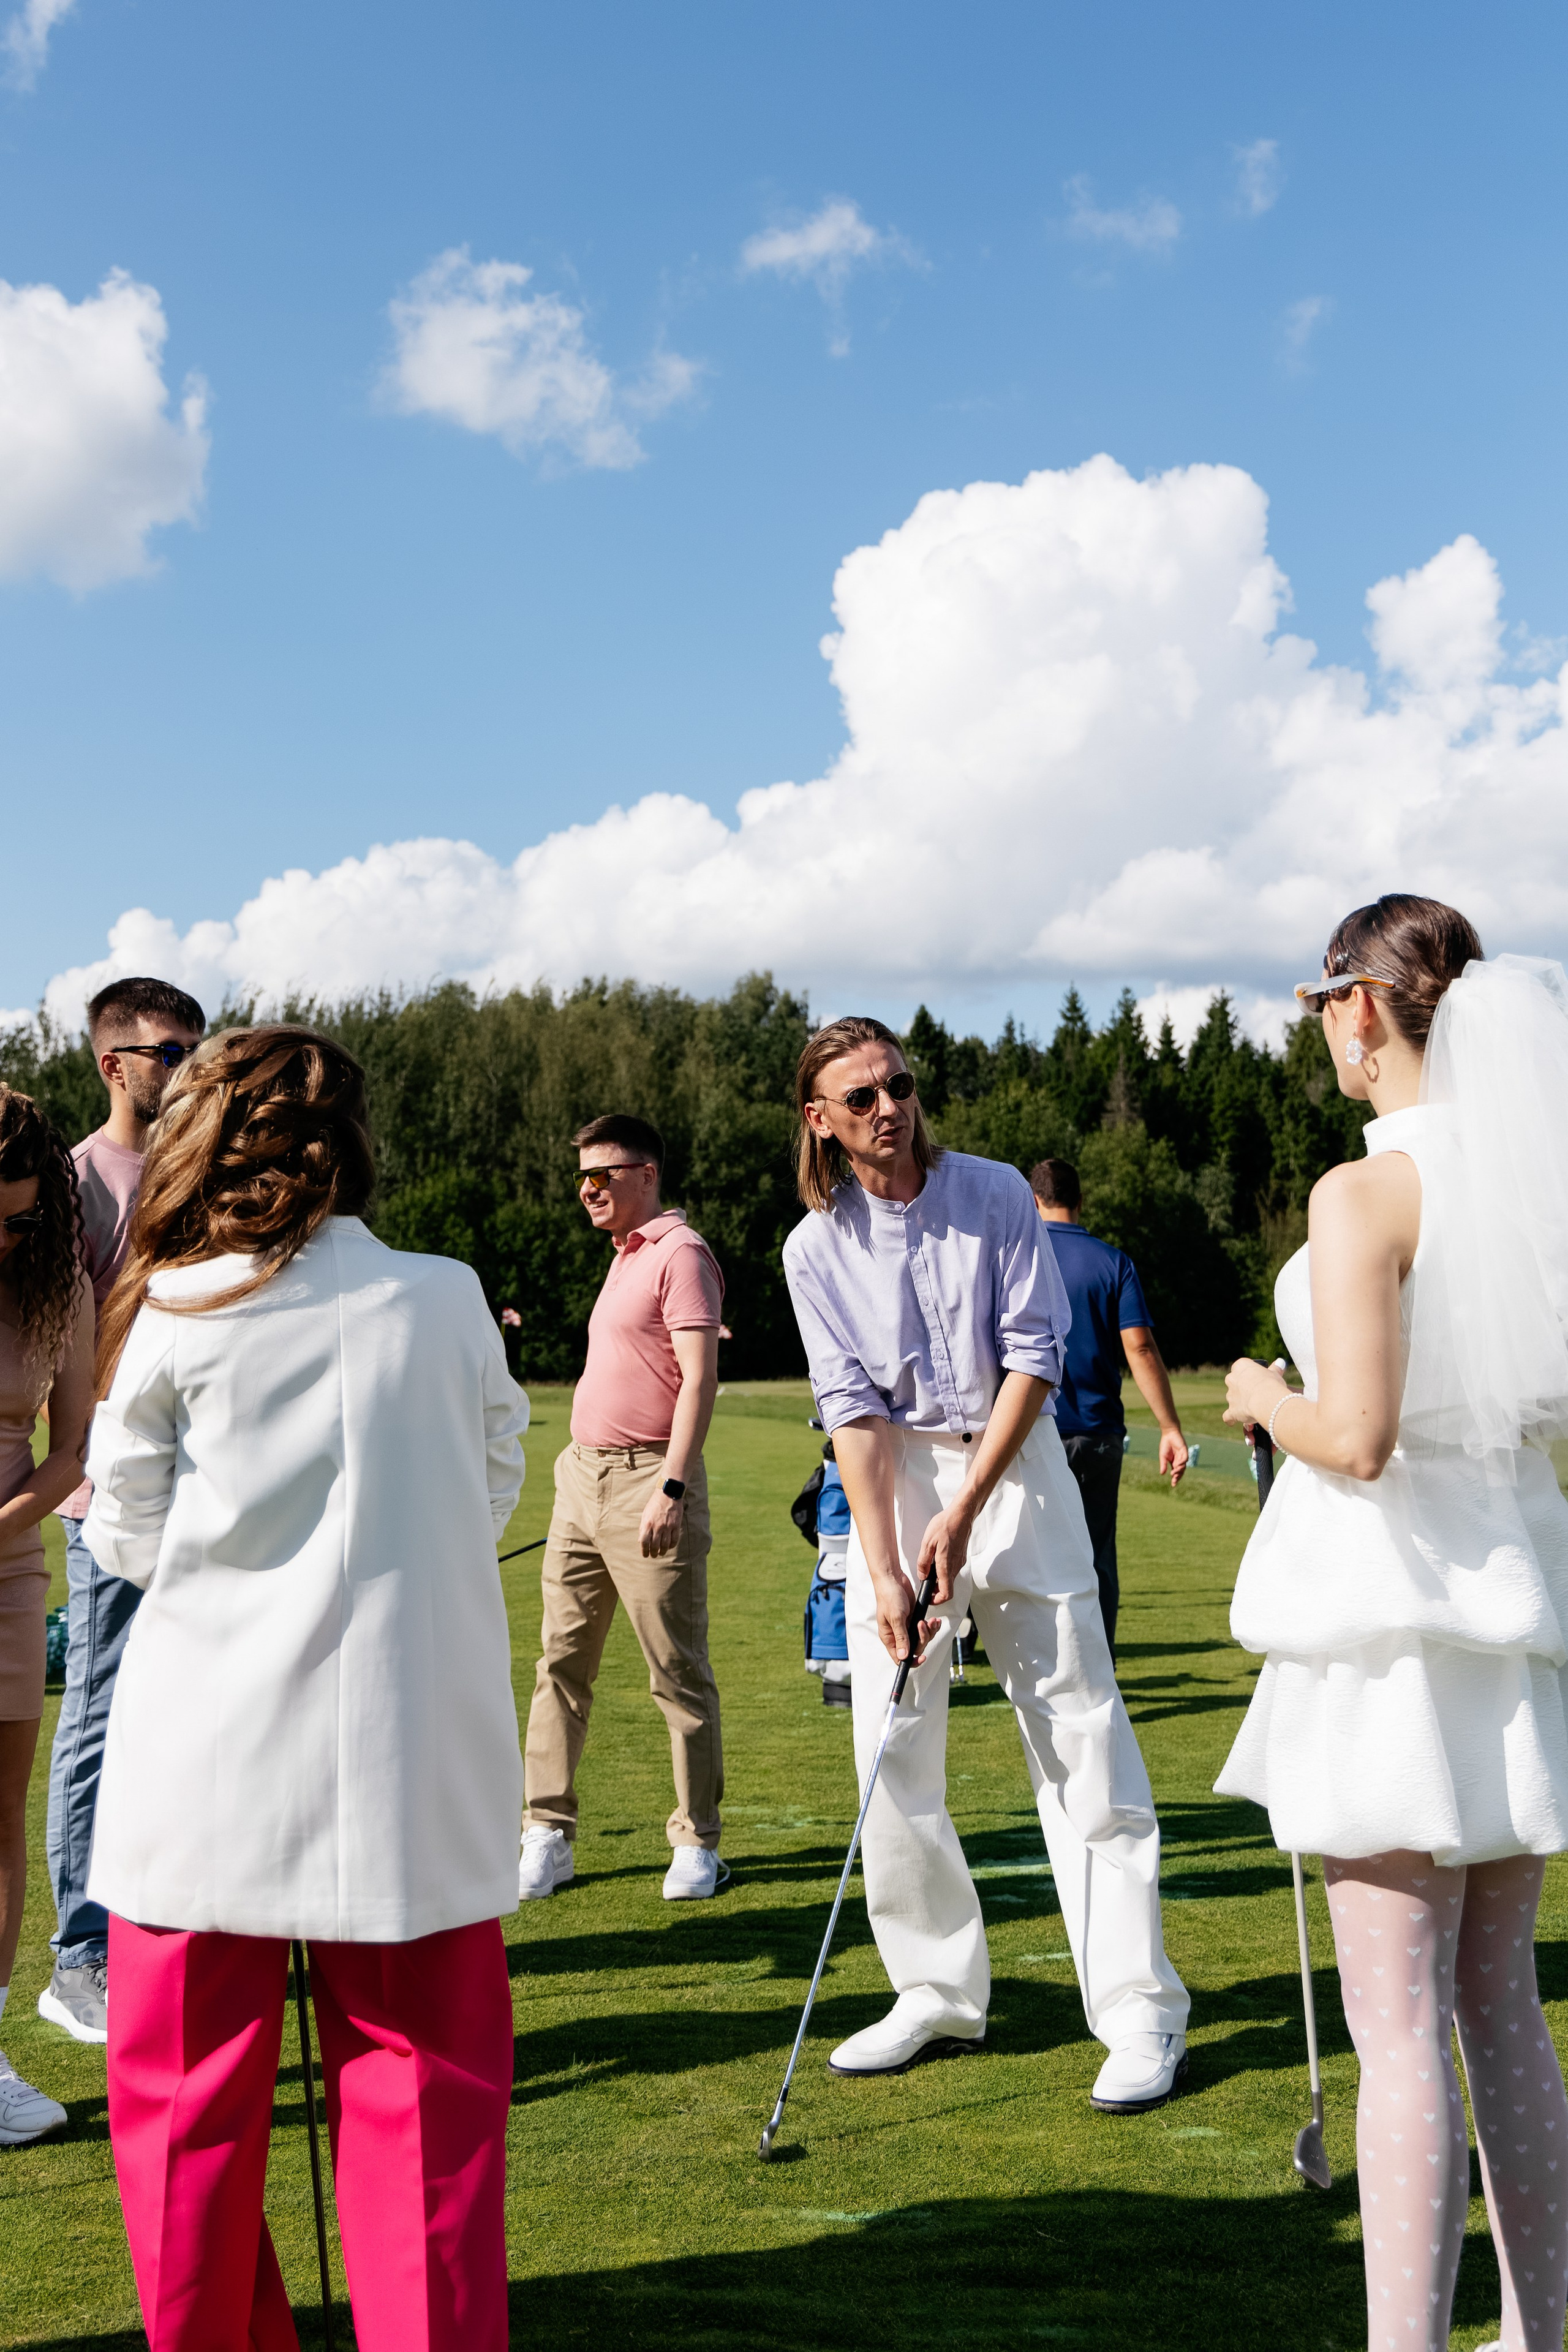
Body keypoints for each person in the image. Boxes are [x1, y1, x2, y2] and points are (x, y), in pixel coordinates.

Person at [83, 1026, 528, 2351]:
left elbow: (121, 1532)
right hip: (408, 1751)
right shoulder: (447, 1295)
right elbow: (494, 1474)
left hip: (203, 1758)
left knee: (184, 2117)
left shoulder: (174, 1308)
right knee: (427, 2111)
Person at [1217, 896, 1568, 2352]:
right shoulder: (1524, 1184)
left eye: (1316, 999)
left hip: (1389, 1622)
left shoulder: (1362, 1193)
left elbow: (1353, 1433)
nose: (1316, 1028)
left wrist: (1251, 1392)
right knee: (1500, 2002)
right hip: (1499, 1604)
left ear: (1362, 1004)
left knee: (1398, 2022)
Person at [782, 1017, 1190, 2111]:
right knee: (891, 1738)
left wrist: (963, 1510)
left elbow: (1034, 1358)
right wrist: (882, 1569)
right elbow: (854, 1415)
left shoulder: (998, 1189)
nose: (888, 1108)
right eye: (860, 1098)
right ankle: (934, 1990)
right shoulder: (812, 1248)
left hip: (1020, 1465)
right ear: (820, 1120)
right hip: (896, 1477)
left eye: (899, 1086)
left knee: (1081, 1735)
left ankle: (1141, 2011)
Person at [40, 974, 204, 2045]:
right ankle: (79, 1953)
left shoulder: (204, 1170)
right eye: (166, 1048)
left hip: (210, 1490)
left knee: (187, 1712)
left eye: (197, 1042)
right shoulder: (76, 1185)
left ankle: (166, 1924)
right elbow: (63, 1354)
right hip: (108, 1492)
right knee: (98, 1716)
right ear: (115, 1064)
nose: (186, 1062)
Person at [518, 1113, 727, 1903]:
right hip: (581, 1477)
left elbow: (699, 1380)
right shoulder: (625, 1257)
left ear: (646, 1174)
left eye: (602, 1175)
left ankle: (697, 1840)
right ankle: (547, 1831)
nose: (587, 1189)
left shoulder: (681, 1253)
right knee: (559, 1664)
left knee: (675, 1670)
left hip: (650, 1480)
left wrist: (672, 1486)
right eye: (581, 1176)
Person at [0, 1090, 92, 2145]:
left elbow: (70, 1453)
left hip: (9, 1577)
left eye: (21, 1218)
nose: (3, 1237)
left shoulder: (59, 1287)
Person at [1029, 1156, 1188, 1662]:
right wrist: (1169, 1426)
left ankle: (1043, 1668)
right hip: (1097, 1434)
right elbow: (1139, 1348)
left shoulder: (1016, 1254)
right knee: (1096, 1556)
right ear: (1080, 1201)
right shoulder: (1112, 1262)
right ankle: (1098, 1669)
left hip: (1030, 1434)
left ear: (1034, 1201)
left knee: (1033, 1557)